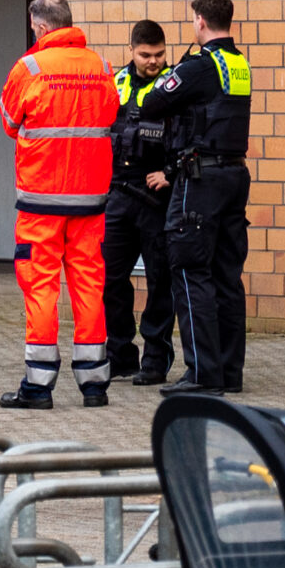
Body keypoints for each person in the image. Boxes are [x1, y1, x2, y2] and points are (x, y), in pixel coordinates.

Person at [0, 0, 117, 409]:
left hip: (41, 200)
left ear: (42, 29)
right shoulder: (101, 67)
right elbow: (110, 117)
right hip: (90, 199)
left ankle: (39, 385)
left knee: (41, 287)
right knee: (89, 286)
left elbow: (10, 123)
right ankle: (95, 383)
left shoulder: (29, 68)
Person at [138, 0, 253, 397]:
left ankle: (202, 374)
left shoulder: (200, 67)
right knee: (227, 276)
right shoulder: (239, 64)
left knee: (190, 273)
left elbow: (153, 102)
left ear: (200, 21)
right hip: (234, 176)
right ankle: (228, 372)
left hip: (200, 180)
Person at [102, 21, 176, 388]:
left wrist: (171, 171)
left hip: (157, 197)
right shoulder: (115, 82)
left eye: (160, 54)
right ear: (131, 50)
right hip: (118, 193)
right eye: (146, 55)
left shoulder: (176, 83)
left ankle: (156, 359)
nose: (154, 61)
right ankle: (120, 355)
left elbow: (189, 134)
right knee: (110, 277)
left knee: (160, 280)